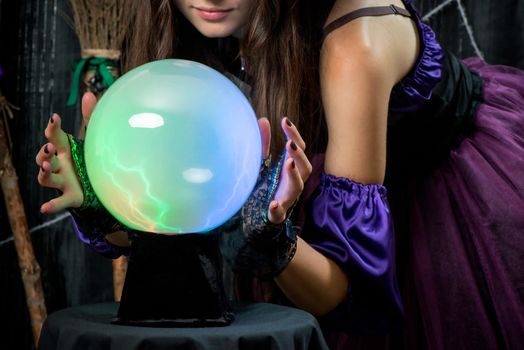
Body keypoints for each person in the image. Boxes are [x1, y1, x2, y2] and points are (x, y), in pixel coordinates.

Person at [35, 0, 524, 349]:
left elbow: (355, 296)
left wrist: (268, 238)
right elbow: (166, 226)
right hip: (317, 218)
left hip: (448, 213)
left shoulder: (355, 41)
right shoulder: (190, 27)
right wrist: (102, 200)